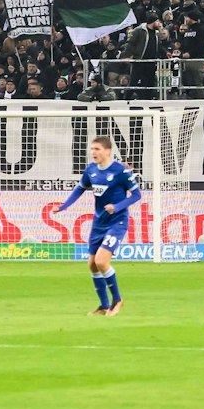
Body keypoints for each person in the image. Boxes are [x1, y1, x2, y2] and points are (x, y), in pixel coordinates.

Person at [56, 134, 140, 316]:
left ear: (107, 151)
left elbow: (136, 195)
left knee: (101, 261)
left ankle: (117, 300)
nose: (93, 152)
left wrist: (117, 207)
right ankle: (103, 306)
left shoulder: (121, 172)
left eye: (97, 149)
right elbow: (79, 189)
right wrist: (63, 206)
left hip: (117, 222)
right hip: (98, 222)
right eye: (92, 149)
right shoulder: (91, 170)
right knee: (93, 265)